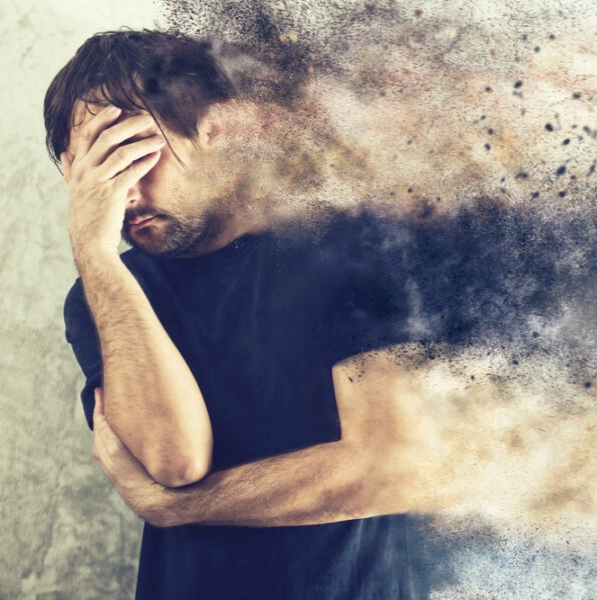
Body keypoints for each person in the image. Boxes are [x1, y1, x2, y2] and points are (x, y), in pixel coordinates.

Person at [44, 29, 430, 599]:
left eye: (130, 154)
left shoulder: (352, 248)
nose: (119, 195)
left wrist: (178, 509)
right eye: (89, 173)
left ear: (216, 132)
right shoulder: (103, 293)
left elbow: (389, 464)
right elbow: (176, 461)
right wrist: (97, 255)